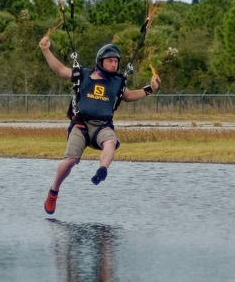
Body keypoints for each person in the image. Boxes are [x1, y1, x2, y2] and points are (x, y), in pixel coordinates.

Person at [39, 35, 161, 215]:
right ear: (101, 61)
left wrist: (150, 88)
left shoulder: (117, 83)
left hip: (102, 126)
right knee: (71, 160)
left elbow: (129, 96)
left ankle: (102, 170)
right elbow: (60, 70)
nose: (114, 65)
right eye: (110, 61)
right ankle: (53, 192)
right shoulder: (83, 75)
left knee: (111, 142)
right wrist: (45, 50)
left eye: (116, 62)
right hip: (80, 125)